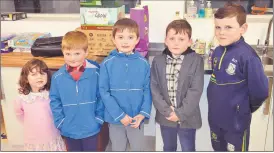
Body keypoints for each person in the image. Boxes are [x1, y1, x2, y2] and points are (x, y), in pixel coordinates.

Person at [207, 3, 269, 151]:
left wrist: (242, 109)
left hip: (236, 125)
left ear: (243, 29)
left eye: (228, 27)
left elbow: (260, 92)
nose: (221, 32)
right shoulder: (216, 52)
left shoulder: (248, 57)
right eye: (218, 27)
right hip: (216, 120)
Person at [151, 19, 204, 151]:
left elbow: (195, 90)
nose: (176, 42)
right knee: (169, 147)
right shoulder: (157, 61)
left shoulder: (196, 61)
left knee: (188, 147)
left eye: (181, 39)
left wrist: (179, 113)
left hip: (188, 116)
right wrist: (167, 111)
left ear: (189, 42)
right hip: (166, 116)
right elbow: (154, 88)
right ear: (166, 40)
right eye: (172, 38)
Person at [99, 18, 152, 151]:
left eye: (130, 37)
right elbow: (104, 92)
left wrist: (142, 114)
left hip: (136, 118)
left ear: (137, 39)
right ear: (113, 39)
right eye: (120, 37)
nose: (125, 41)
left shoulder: (143, 63)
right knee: (118, 148)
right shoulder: (107, 63)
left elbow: (147, 90)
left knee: (137, 148)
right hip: (115, 118)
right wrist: (120, 115)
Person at [49, 31, 104, 151]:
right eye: (68, 54)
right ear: (62, 52)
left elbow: (101, 97)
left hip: (91, 128)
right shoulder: (57, 77)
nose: (72, 58)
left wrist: (98, 119)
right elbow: (55, 101)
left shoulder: (96, 73)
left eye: (77, 53)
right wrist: (61, 122)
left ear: (86, 52)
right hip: (69, 129)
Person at [13, 59, 66, 151]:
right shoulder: (21, 99)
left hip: (52, 135)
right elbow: (19, 115)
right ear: (26, 78)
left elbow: (59, 112)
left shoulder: (52, 94)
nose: (39, 77)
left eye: (42, 73)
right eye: (34, 74)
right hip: (33, 138)